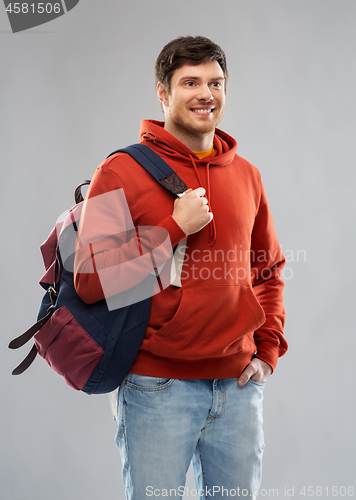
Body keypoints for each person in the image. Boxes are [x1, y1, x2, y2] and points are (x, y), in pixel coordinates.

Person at [74, 36, 287, 500]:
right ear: (163, 93)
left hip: (238, 388)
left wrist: (267, 351)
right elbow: (90, 281)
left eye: (215, 82)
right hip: (156, 388)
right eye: (190, 82)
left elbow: (267, 271)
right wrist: (174, 227)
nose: (205, 94)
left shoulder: (247, 175)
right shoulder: (118, 172)